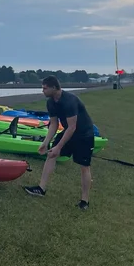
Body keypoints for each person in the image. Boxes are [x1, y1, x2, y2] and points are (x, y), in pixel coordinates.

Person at [23, 75, 95, 210]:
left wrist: (59, 147)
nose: (42, 91)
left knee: (84, 166)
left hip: (84, 134)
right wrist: (46, 142)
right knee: (51, 154)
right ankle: (41, 188)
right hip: (69, 131)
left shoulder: (70, 101)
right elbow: (54, 124)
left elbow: (73, 127)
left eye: (45, 88)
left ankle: (84, 201)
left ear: (54, 88)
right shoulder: (50, 102)